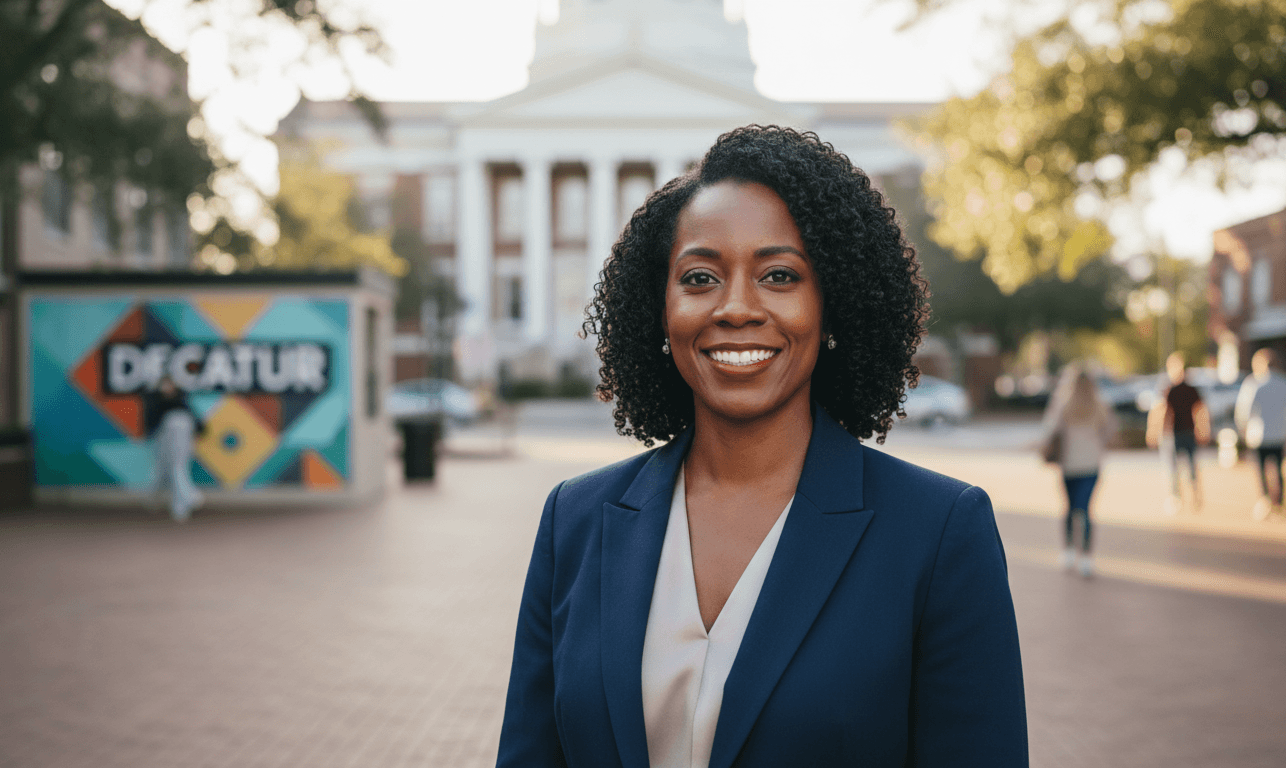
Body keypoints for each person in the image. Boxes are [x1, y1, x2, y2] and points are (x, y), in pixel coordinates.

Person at [496, 126, 1027, 767]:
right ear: (658, 309)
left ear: (832, 306)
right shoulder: (575, 523)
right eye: (699, 278)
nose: (737, 307)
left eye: (779, 275)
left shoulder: (938, 532)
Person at [1040, 364, 1115, 578]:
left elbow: (1051, 429)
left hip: (1069, 464)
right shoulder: (1100, 404)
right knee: (1085, 510)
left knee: (1070, 508)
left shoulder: (1063, 404)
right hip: (1091, 464)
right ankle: (1086, 558)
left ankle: (1070, 551)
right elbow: (1110, 430)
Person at [1234, 349, 1286, 520]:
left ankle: (1265, 500)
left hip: (1259, 435)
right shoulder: (1285, 383)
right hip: (1280, 434)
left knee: (1262, 470)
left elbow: (1244, 412)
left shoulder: (1254, 384)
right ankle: (1280, 504)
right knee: (1279, 470)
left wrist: (1243, 431)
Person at [1145, 352, 1210, 513]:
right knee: (1188, 465)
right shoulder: (1187, 389)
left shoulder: (1171, 389)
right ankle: (1191, 495)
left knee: (1173, 467)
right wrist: (1203, 430)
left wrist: (1154, 431)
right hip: (1183, 432)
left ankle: (1178, 497)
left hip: (1174, 433)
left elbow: (1162, 411)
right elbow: (1201, 411)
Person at [149, 377, 205, 522]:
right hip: (162, 437)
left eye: (169, 384)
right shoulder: (157, 400)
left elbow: (197, 422)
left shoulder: (181, 401)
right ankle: (187, 497)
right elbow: (152, 422)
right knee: (164, 471)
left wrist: (198, 431)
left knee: (177, 467)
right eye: (164, 385)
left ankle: (183, 503)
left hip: (181, 434)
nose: (167, 388)